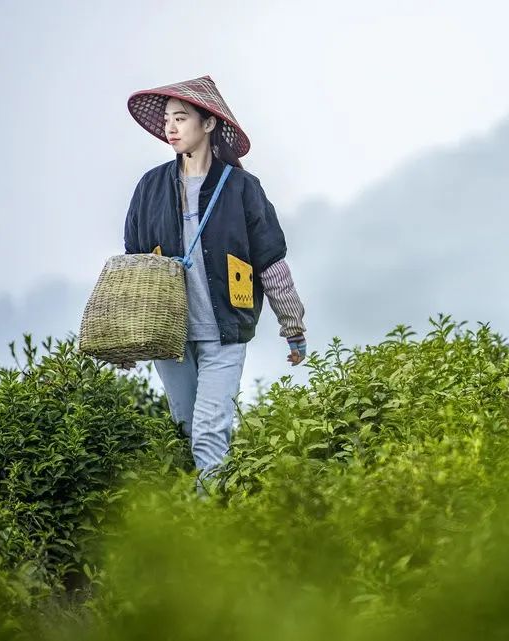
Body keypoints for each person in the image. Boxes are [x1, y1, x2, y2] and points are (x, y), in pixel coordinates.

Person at [120, 75, 308, 496]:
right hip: (168, 335)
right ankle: (214, 514)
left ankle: (213, 531)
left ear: (208, 125)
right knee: (187, 429)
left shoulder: (242, 188)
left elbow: (271, 262)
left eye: (181, 118)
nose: (171, 127)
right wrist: (127, 342)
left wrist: (292, 326)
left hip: (225, 330)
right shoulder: (150, 187)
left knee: (209, 432)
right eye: (168, 119)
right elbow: (133, 268)